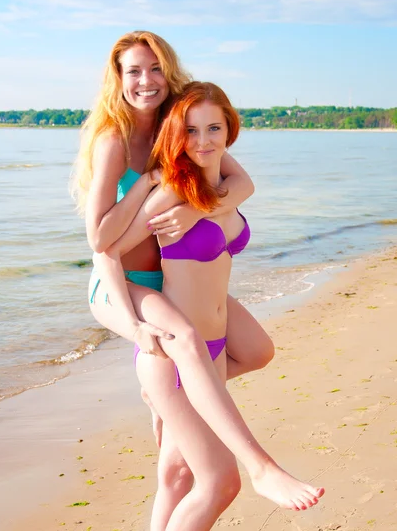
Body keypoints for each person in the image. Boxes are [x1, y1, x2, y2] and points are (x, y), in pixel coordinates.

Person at [92, 80, 324, 528]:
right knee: (220, 484)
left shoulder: (223, 185)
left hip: (213, 349)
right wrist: (131, 322)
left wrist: (205, 208)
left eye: (213, 128)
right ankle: (259, 466)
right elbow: (109, 250)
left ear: (229, 127)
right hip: (176, 357)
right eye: (191, 131)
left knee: (177, 475)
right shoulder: (172, 189)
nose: (203, 141)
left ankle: (161, 398)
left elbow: (239, 188)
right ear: (177, 137)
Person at [71, 30, 275, 529]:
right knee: (183, 340)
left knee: (254, 351)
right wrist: (148, 181)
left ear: (170, 71)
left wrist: (195, 211)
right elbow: (100, 242)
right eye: (134, 71)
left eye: (156, 68)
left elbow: (241, 182)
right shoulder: (113, 140)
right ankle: (254, 461)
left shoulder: (181, 122)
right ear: (117, 80)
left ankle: (173, 395)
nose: (146, 81)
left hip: (165, 287)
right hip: (121, 284)